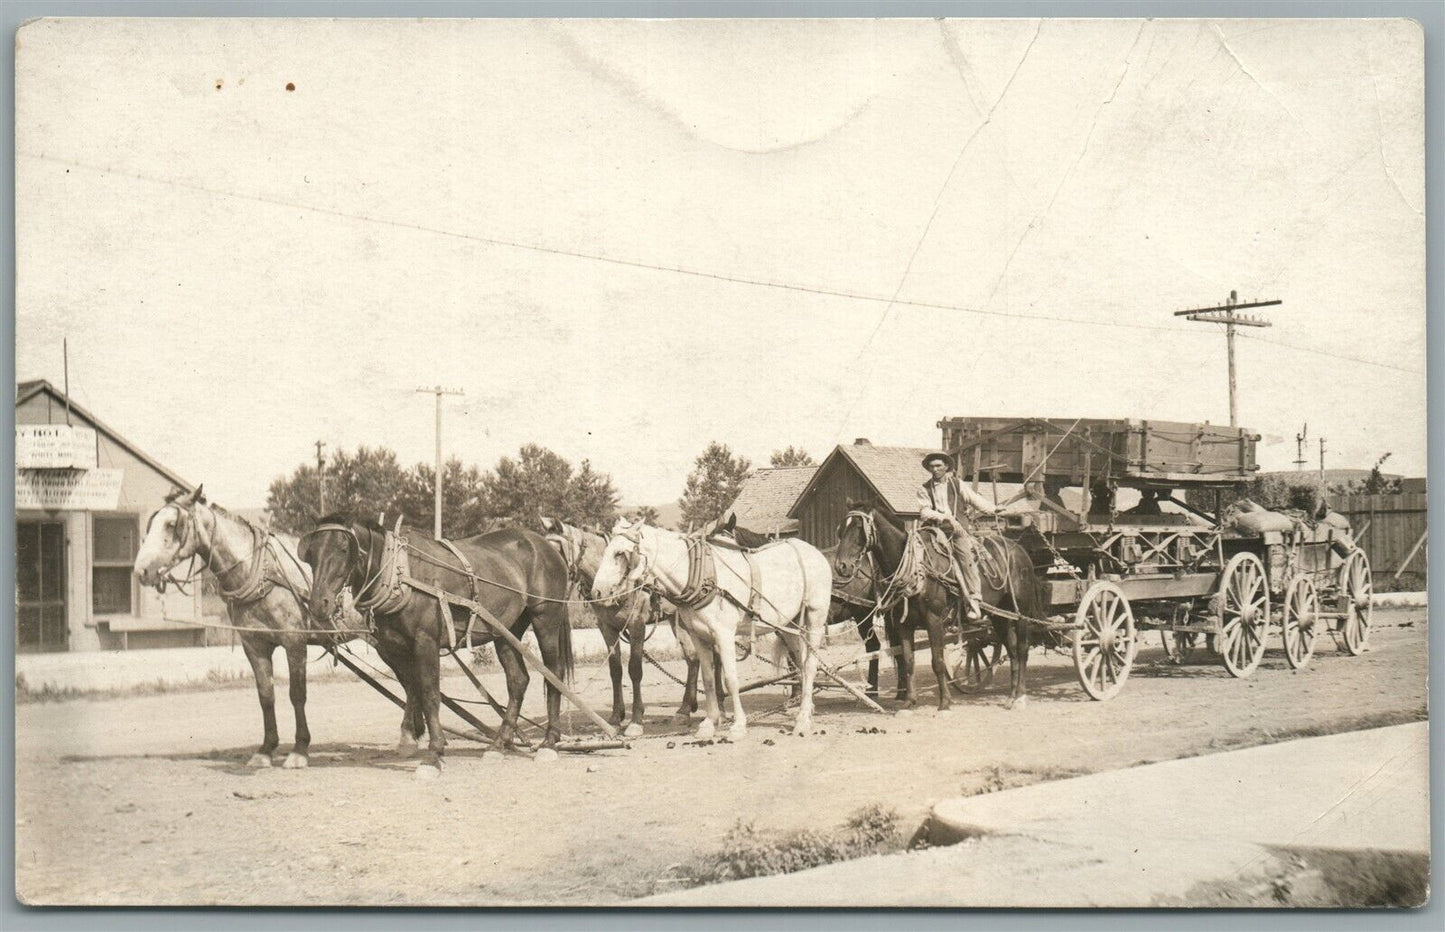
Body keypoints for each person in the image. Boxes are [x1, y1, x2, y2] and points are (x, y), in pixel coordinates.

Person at [916, 452, 1002, 621]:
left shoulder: (957, 485)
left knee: (965, 557)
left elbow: (975, 500)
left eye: (939, 466)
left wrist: (994, 509)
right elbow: (925, 512)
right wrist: (944, 517)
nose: (935, 469)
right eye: (932, 466)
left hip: (956, 532)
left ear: (946, 467)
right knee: (914, 553)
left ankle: (974, 598)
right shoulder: (924, 489)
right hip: (934, 530)